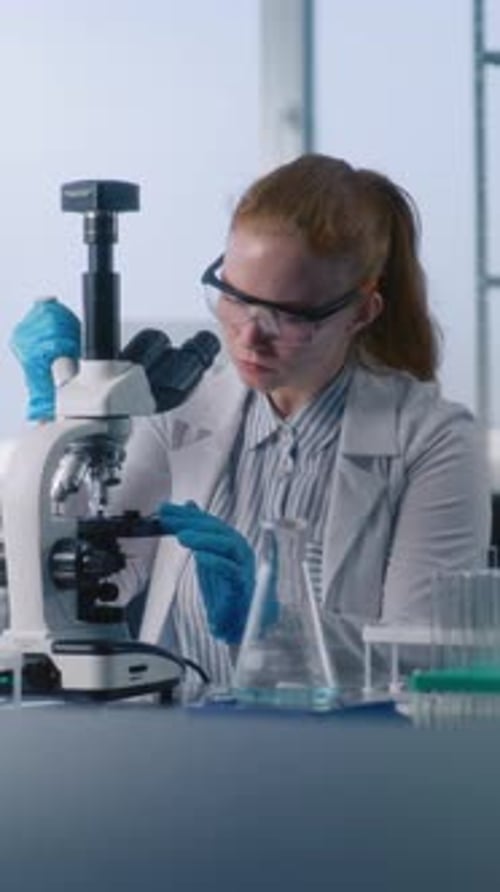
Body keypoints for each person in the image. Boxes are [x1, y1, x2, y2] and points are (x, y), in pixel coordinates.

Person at [9, 153, 491, 696]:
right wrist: (54, 418)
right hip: (168, 747)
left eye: (287, 314)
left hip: (345, 764)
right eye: (235, 298)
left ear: (361, 312)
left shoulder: (436, 443)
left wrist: (271, 626)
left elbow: (428, 659)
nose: (247, 337)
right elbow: (96, 576)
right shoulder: (179, 415)